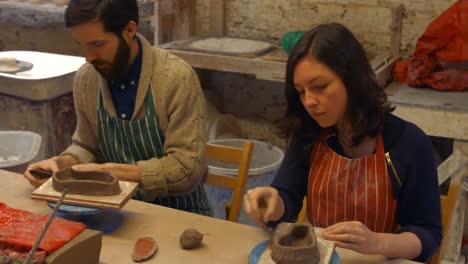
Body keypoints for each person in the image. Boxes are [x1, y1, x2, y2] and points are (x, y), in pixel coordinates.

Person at [243, 23, 442, 262]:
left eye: (320, 87)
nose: (309, 102)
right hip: (317, 256)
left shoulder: (409, 143)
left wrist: (377, 242)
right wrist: (274, 203)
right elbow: (288, 197)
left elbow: (427, 235)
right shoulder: (309, 133)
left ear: (352, 80)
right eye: (301, 91)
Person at [24, 0, 212, 216]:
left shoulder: (176, 78)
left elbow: (187, 170)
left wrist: (108, 171)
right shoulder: (87, 78)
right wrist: (61, 164)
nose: (88, 57)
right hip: (116, 210)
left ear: (130, 29)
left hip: (181, 213)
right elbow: (87, 147)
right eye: (82, 45)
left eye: (97, 44)